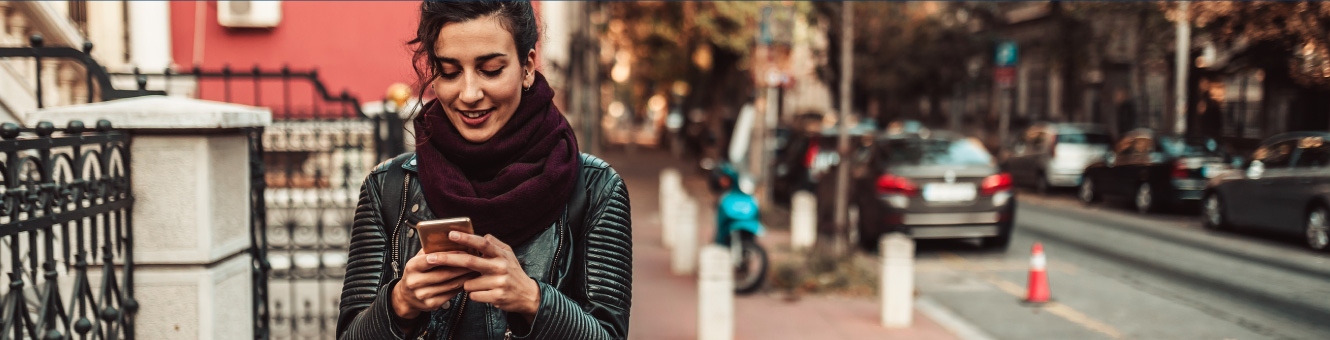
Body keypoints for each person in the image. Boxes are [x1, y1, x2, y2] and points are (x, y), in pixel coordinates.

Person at [335, 2, 632, 339]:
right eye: (449, 71)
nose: (469, 93)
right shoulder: (388, 188)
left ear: (527, 67)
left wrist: (535, 301)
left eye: (490, 69)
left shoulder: (596, 188)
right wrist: (398, 304)